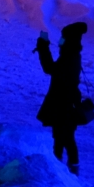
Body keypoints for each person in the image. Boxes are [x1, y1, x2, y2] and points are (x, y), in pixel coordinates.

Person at [35, 22, 87, 173]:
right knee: (61, 137)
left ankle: (68, 170)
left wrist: (43, 47)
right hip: (65, 103)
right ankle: (61, 168)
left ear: (69, 39)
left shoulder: (69, 57)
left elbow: (50, 68)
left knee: (65, 138)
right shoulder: (71, 55)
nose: (60, 41)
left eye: (63, 38)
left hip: (64, 104)